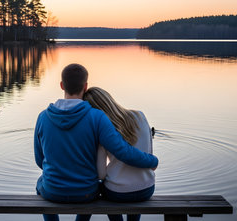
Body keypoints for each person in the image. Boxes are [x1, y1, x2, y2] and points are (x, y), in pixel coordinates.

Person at [34, 64, 158, 221]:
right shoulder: (97, 117)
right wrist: (152, 161)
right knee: (96, 189)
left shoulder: (43, 117)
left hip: (53, 190)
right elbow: (121, 150)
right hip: (86, 192)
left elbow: (40, 160)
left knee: (40, 181)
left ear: (61, 85)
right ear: (85, 87)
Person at [83, 87, 156, 221]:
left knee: (98, 190)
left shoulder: (103, 129)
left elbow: (101, 174)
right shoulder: (140, 115)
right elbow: (149, 153)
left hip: (118, 193)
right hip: (147, 188)